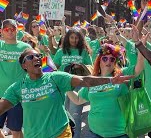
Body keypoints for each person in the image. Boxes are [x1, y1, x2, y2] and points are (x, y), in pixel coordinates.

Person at [0, 48, 134, 138]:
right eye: (31, 57)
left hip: (60, 134)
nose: (37, 58)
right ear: (24, 65)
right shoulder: (17, 88)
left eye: (38, 55)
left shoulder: (55, 77)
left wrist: (111, 80)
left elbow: (84, 80)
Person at [66, 42, 145, 138]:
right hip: (95, 133)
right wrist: (65, 86)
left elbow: (138, 69)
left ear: (115, 63)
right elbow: (78, 99)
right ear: (99, 60)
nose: (108, 62)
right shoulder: (93, 79)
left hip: (120, 133)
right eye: (105, 58)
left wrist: (141, 47)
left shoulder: (121, 75)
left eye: (112, 59)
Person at [53, 28, 93, 138]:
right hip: (61, 86)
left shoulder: (84, 52)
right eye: (72, 37)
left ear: (80, 39)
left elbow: (91, 68)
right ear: (67, 38)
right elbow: (54, 68)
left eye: (76, 38)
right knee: (62, 113)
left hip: (78, 86)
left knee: (75, 115)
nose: (74, 40)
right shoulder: (61, 52)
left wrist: (80, 66)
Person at [0, 19, 31, 138]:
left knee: (16, 131)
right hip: (0, 95)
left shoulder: (25, 47)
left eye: (12, 29)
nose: (10, 31)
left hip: (17, 96)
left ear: (17, 31)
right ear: (2, 31)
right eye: (7, 29)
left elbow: (36, 66)